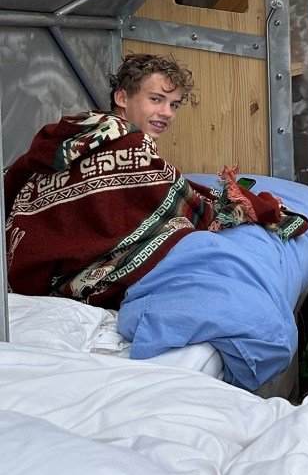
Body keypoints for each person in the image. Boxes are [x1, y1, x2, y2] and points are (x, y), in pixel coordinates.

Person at [3, 52, 286, 308]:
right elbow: (184, 207)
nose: (167, 113)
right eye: (156, 99)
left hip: (21, 262)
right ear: (122, 98)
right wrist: (241, 207)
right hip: (64, 273)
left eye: (174, 105)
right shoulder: (130, 142)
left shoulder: (89, 129)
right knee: (189, 238)